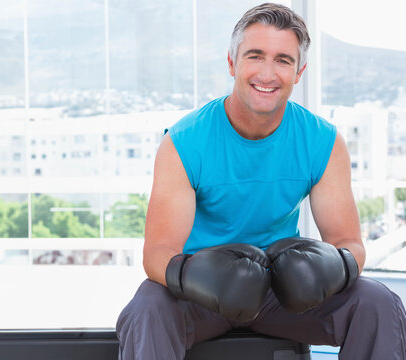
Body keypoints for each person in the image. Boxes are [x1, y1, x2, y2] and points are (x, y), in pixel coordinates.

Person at [116, 3, 406, 359]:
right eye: (255, 56)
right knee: (147, 306)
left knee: (378, 303)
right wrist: (197, 279)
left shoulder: (323, 141)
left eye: (283, 60)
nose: (267, 74)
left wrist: (329, 269)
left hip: (283, 293)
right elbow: (157, 252)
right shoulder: (184, 141)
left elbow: (349, 243)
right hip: (203, 292)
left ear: (299, 71)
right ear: (232, 63)